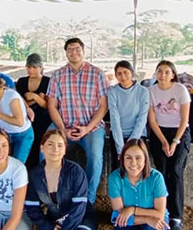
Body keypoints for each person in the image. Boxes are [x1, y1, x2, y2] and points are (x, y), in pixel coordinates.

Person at [25, 130, 97, 230]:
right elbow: (32, 209)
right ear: (42, 147)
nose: (55, 149)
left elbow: (78, 209)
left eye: (59, 145)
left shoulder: (75, 172)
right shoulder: (35, 174)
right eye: (50, 144)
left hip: (81, 216)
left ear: (65, 149)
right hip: (55, 218)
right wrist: (51, 229)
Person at [46, 38, 109, 203]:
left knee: (95, 158)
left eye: (77, 48)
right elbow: (52, 105)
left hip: (91, 127)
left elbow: (103, 106)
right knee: (44, 151)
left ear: (83, 50)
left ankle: (87, 200)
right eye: (70, 49)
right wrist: (62, 130)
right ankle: (50, 196)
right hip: (63, 124)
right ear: (65, 52)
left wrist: (87, 128)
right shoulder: (58, 75)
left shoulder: (97, 74)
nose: (74, 52)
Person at [146, 60, 191, 230]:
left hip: (179, 133)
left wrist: (174, 141)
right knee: (161, 172)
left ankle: (176, 217)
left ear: (173, 74)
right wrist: (164, 141)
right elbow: (152, 120)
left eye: (166, 72)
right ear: (156, 74)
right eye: (159, 71)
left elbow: (185, 119)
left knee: (176, 171)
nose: (163, 75)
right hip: (159, 134)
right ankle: (161, 211)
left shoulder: (180, 90)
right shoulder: (151, 91)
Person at [107, 60, 149, 169]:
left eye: (126, 72)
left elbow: (142, 118)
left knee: (137, 168)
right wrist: (121, 148)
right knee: (118, 168)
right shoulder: (112, 91)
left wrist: (132, 142)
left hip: (138, 135)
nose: (123, 76)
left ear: (132, 73)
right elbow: (114, 119)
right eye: (119, 74)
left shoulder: (143, 91)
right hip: (118, 135)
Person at [16, 53, 51, 169]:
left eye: (34, 67)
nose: (31, 70)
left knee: (40, 142)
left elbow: (47, 105)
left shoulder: (48, 82)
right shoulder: (21, 81)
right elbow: (20, 102)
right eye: (29, 67)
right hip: (25, 118)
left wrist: (34, 97)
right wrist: (38, 98)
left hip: (43, 118)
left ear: (41, 68)